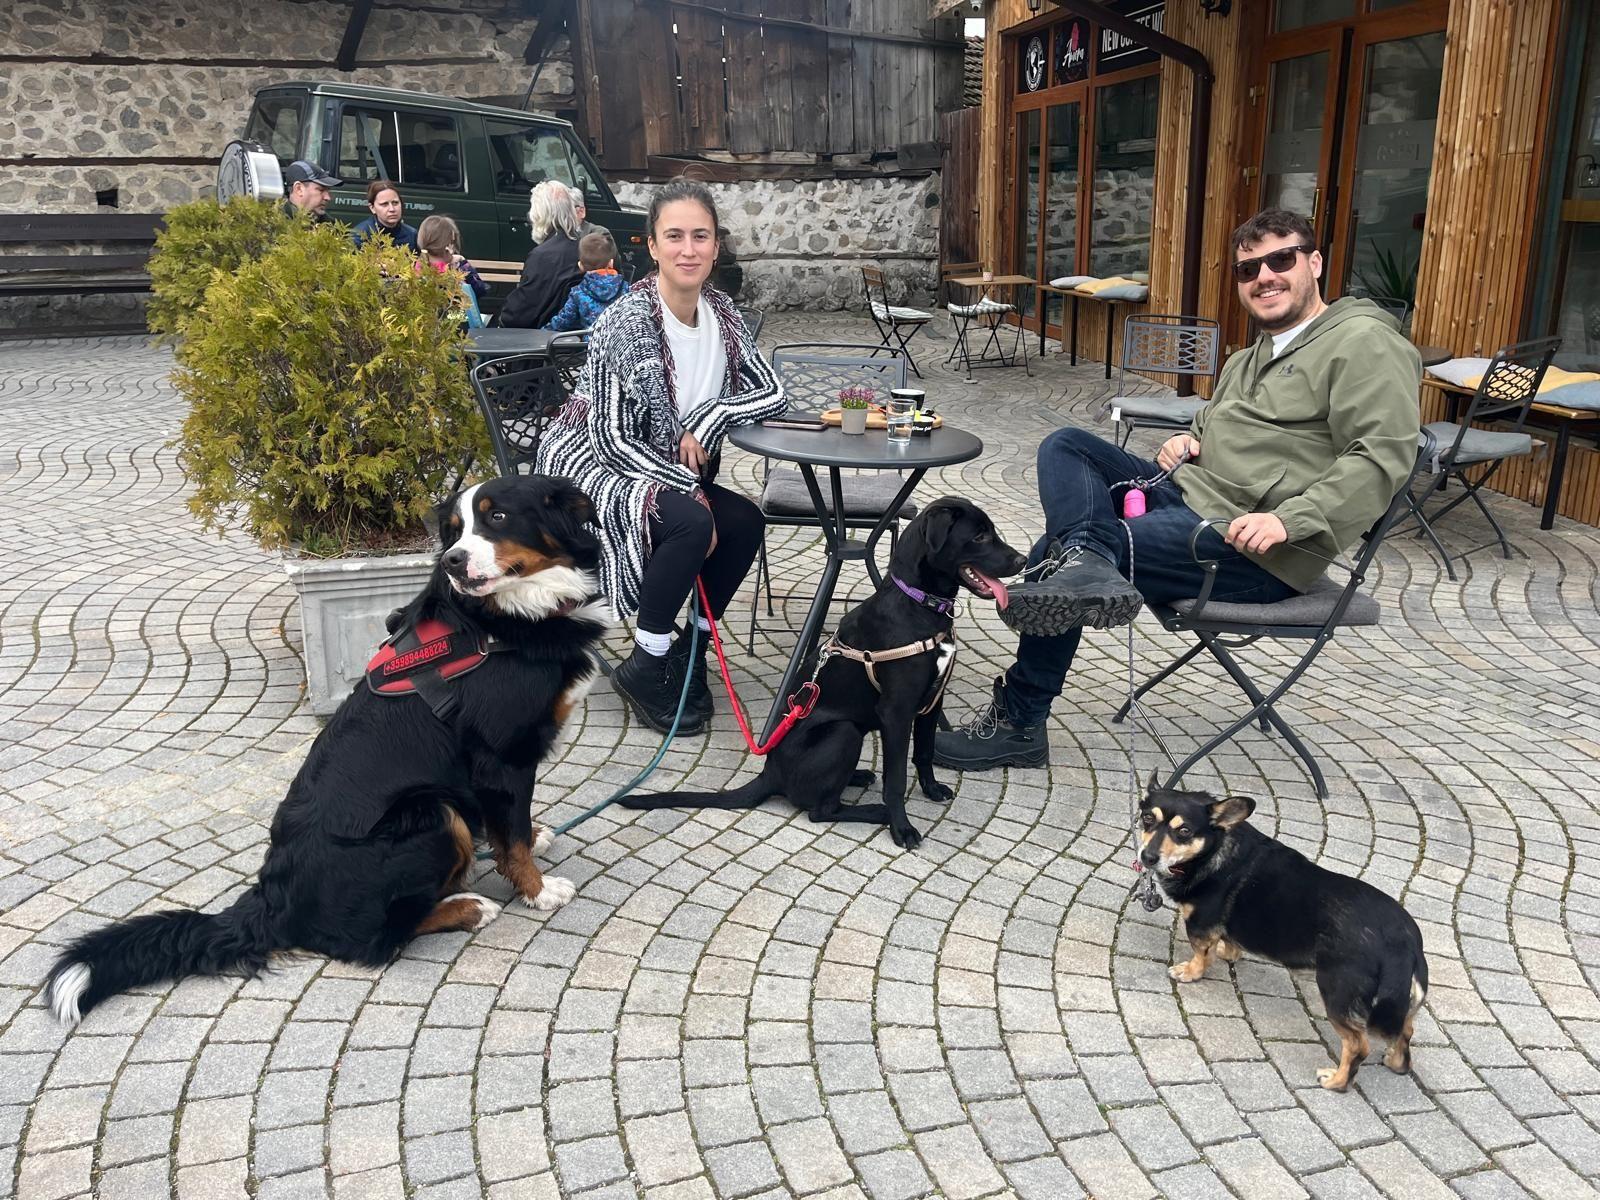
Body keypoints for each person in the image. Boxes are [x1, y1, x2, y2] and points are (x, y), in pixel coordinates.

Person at [935, 208, 1422, 771]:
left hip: (1252, 544)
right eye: (1248, 269)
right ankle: (1086, 561)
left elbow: (1382, 456)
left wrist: (1290, 520)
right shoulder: (1252, 354)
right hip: (1192, 497)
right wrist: (1190, 441)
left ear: (1314, 263)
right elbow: (1221, 423)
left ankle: (1019, 723)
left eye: (1280, 260)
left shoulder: (1365, 343)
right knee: (1067, 445)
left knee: (1058, 554)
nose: (1264, 276)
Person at [535, 179, 785, 735]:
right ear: (652, 245)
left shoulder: (724, 314)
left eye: (701, 236)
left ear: (717, 246)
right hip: (593, 465)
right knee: (693, 519)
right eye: (674, 236)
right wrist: (687, 485)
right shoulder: (625, 323)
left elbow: (774, 393)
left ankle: (690, 652)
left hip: (660, 466)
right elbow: (609, 439)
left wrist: (711, 416)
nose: (688, 249)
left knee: (743, 520)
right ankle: (648, 661)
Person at [495, 180, 582, 329]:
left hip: (540, 339)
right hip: (571, 336)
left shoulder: (543, 255)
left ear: (539, 214)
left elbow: (521, 312)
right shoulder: (584, 248)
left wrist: (499, 320)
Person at [544, 231, 626, 332]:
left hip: (591, 346)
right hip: (619, 345)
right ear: (611, 263)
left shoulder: (578, 293)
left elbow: (563, 322)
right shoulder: (625, 289)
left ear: (580, 266)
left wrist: (542, 331)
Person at [415, 214, 484, 329]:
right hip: (458, 326)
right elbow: (480, 289)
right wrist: (462, 263)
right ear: (449, 242)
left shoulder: (420, 265)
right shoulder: (455, 266)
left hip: (426, 327)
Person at [351, 180, 419, 251]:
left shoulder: (412, 235)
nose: (392, 209)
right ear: (372, 208)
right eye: (384, 204)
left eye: (395, 203)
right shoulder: (360, 237)